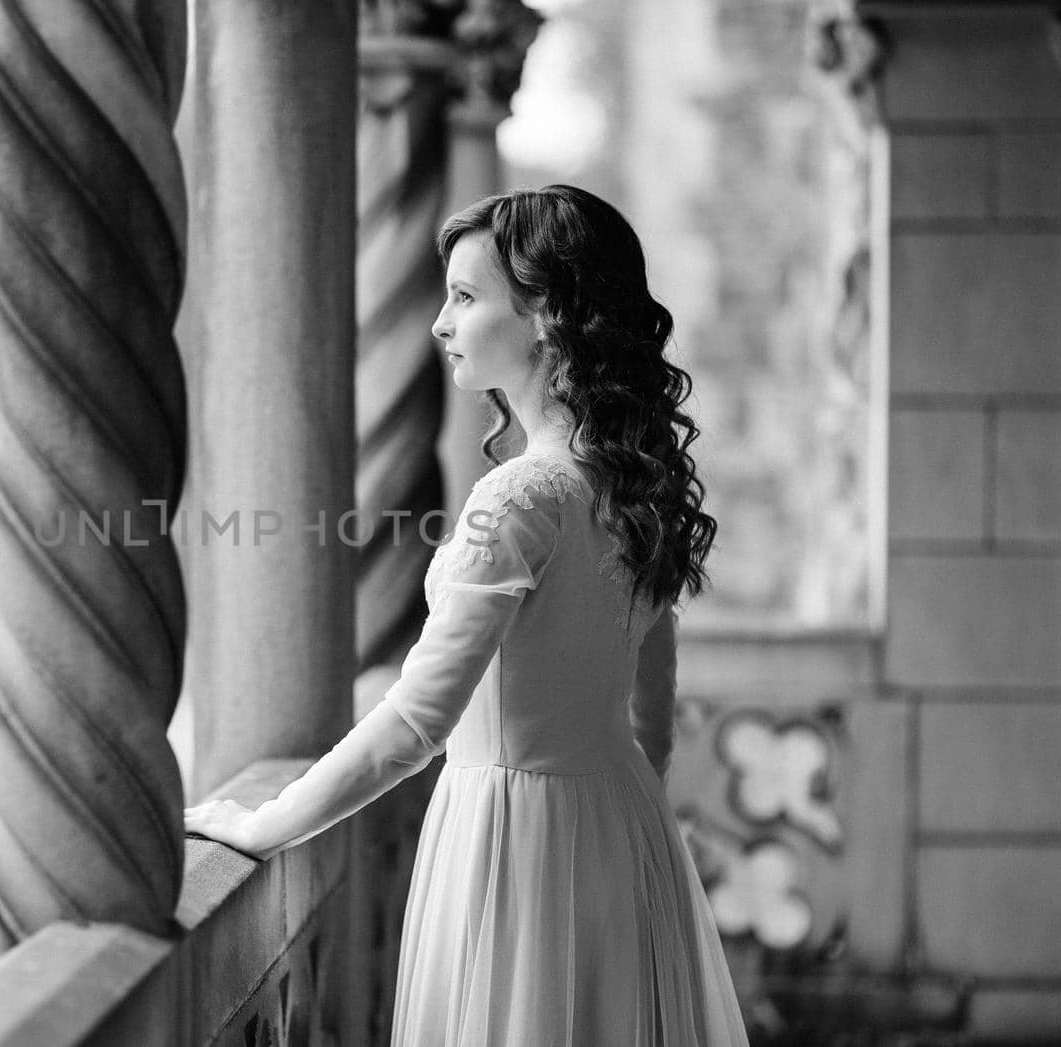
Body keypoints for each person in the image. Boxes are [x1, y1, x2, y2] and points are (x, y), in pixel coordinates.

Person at [184, 185, 748, 1045]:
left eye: (465, 295)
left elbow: (416, 721)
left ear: (550, 315)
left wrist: (264, 823)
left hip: (512, 846)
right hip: (619, 826)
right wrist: (616, 833)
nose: (441, 323)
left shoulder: (521, 496)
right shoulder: (636, 489)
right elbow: (653, 720)